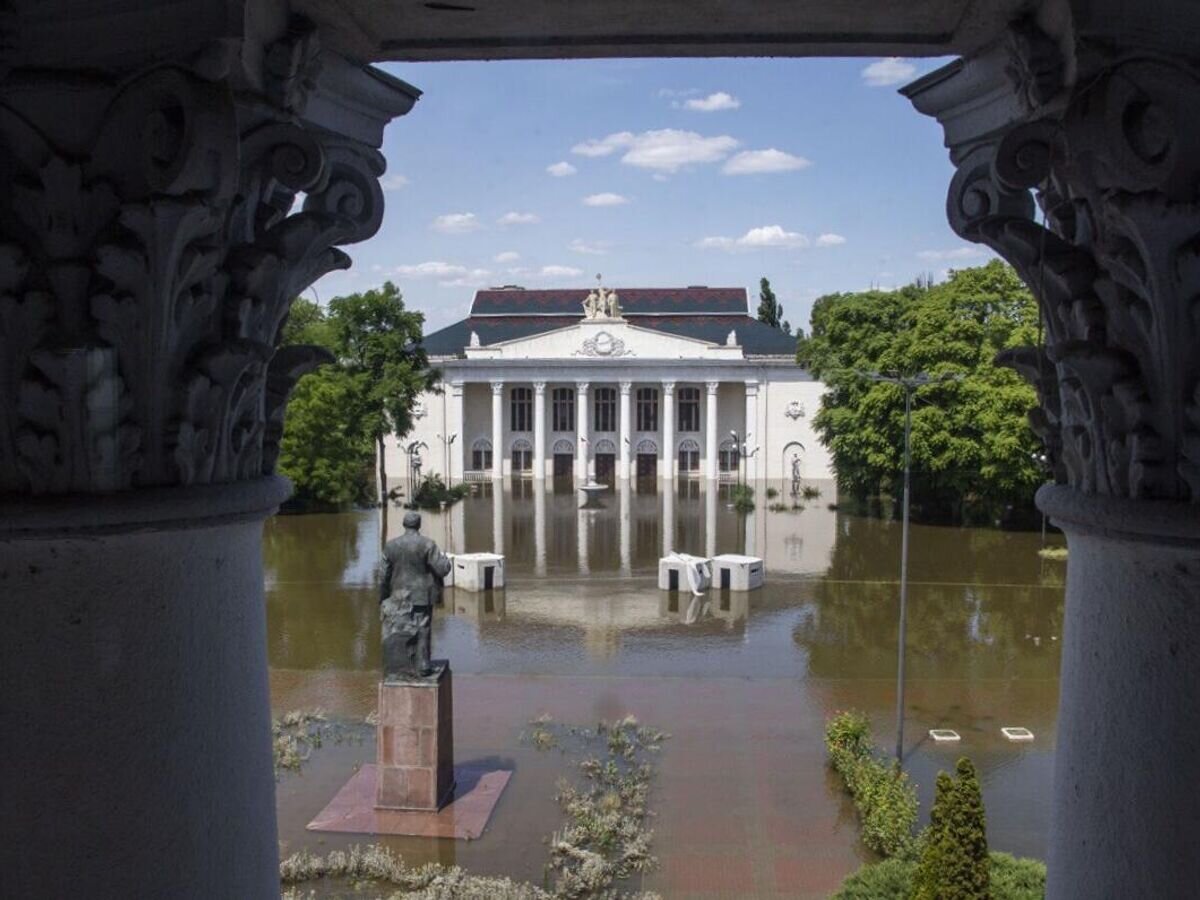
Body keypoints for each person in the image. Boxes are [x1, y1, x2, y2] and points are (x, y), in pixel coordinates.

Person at [379, 511, 452, 680]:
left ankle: (400, 667)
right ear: (418, 525)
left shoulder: (391, 546)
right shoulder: (427, 544)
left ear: (404, 525)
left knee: (401, 629)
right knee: (422, 628)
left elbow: (383, 575)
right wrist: (447, 561)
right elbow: (442, 569)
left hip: (397, 596)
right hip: (421, 595)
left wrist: (382, 597)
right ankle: (423, 665)